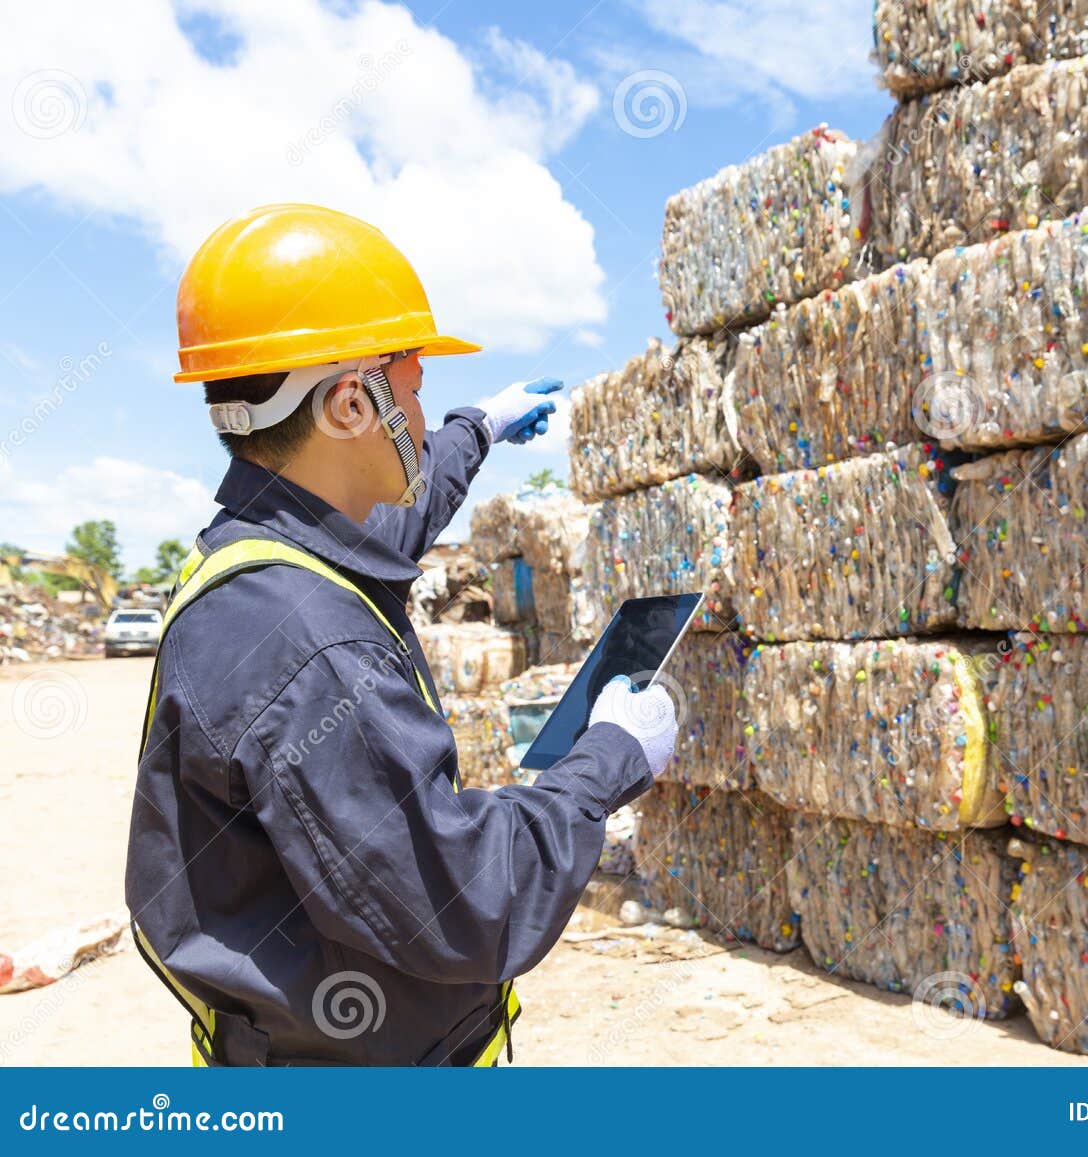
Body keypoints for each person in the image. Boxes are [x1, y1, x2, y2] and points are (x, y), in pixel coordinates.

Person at [124, 203, 677, 1066]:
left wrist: (477, 429)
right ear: (352, 403)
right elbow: (470, 899)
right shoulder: (308, 644)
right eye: (414, 394)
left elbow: (391, 528)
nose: (420, 421)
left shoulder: (261, 554)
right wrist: (610, 758)